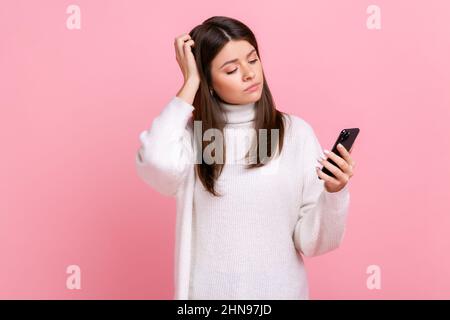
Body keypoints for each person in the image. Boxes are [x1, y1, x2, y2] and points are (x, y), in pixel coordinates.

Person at [135, 16, 356, 300]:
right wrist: (190, 83)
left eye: (252, 60)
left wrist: (334, 193)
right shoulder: (191, 138)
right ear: (208, 81)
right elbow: (156, 162)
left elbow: (313, 242)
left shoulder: (294, 133)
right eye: (231, 69)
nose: (249, 74)